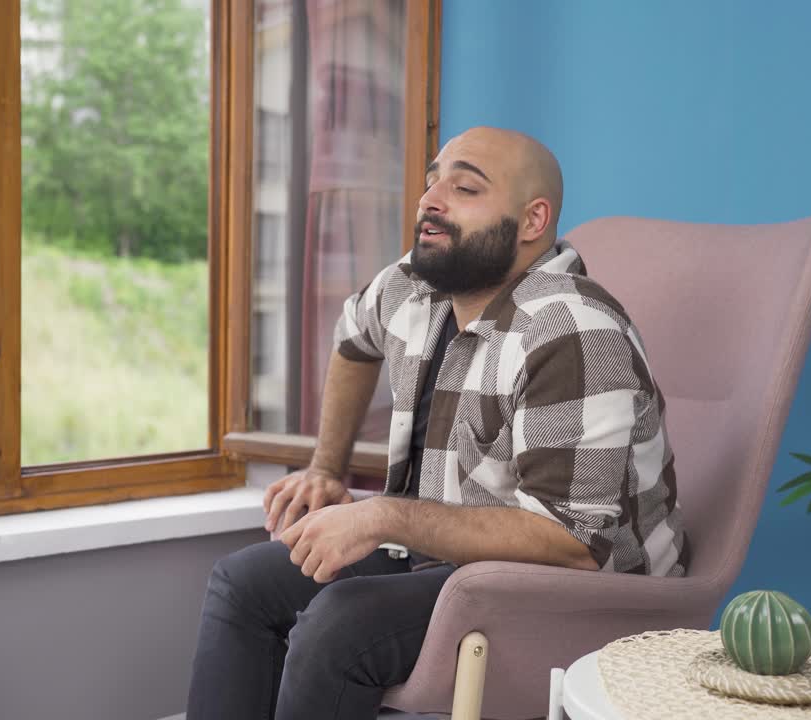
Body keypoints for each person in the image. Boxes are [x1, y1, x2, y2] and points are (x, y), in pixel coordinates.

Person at [186, 126, 688, 720]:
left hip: (581, 594)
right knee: (243, 585)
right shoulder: (419, 286)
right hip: (441, 558)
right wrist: (326, 466)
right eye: (432, 180)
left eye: (465, 187)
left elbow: (573, 544)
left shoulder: (574, 331)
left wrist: (381, 514)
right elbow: (353, 339)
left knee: (336, 626)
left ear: (533, 221)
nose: (430, 198)